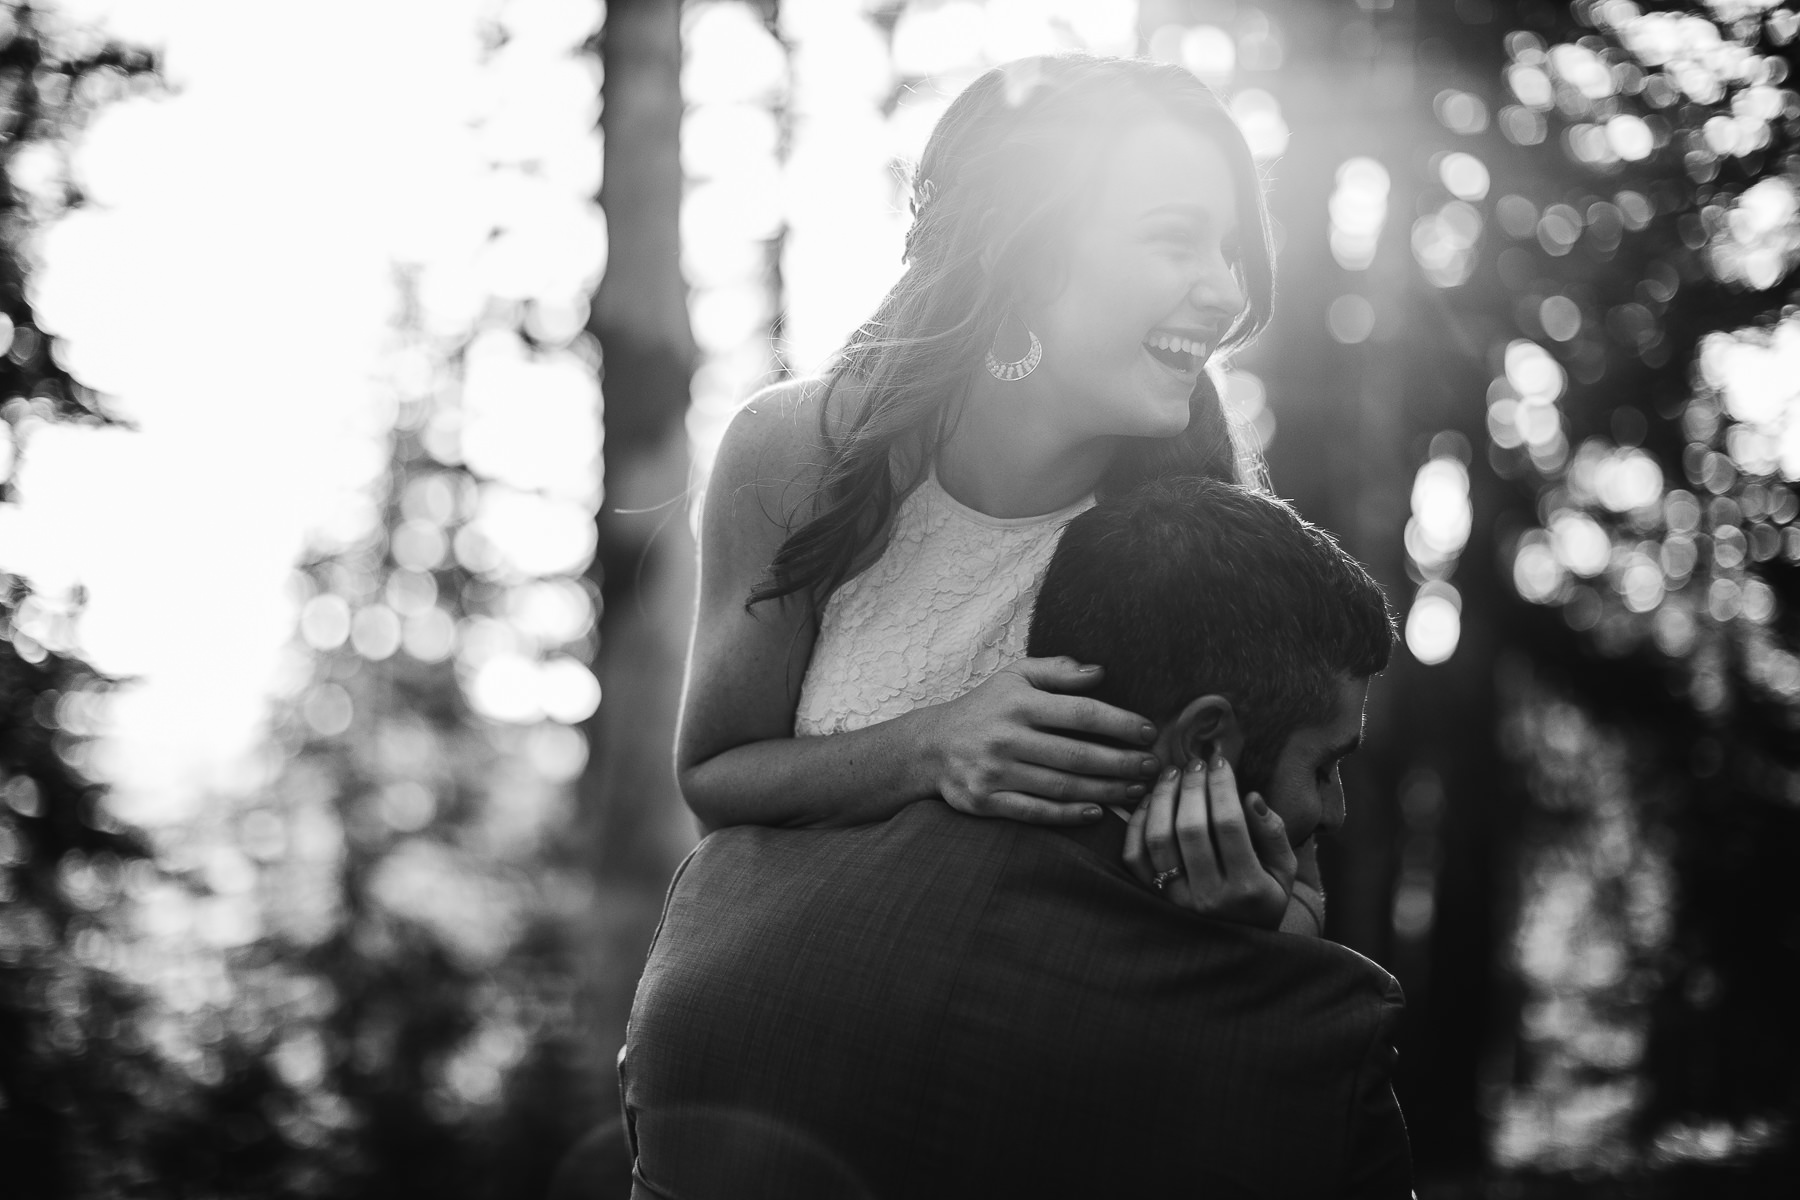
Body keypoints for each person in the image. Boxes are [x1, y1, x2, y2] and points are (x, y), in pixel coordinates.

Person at [673, 51, 1339, 925]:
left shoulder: (1205, 493)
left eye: (1229, 249)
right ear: (1020, 253)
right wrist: (927, 749)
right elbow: (713, 776)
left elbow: (1304, 897)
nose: (1225, 291)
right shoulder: (796, 451)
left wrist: (1255, 918)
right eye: (1176, 240)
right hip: (799, 1027)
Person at [619, 477, 1411, 1199]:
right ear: (1204, 744)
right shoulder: (1314, 1045)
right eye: (1327, 765)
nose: (1335, 811)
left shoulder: (712, 923)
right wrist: (1283, 964)